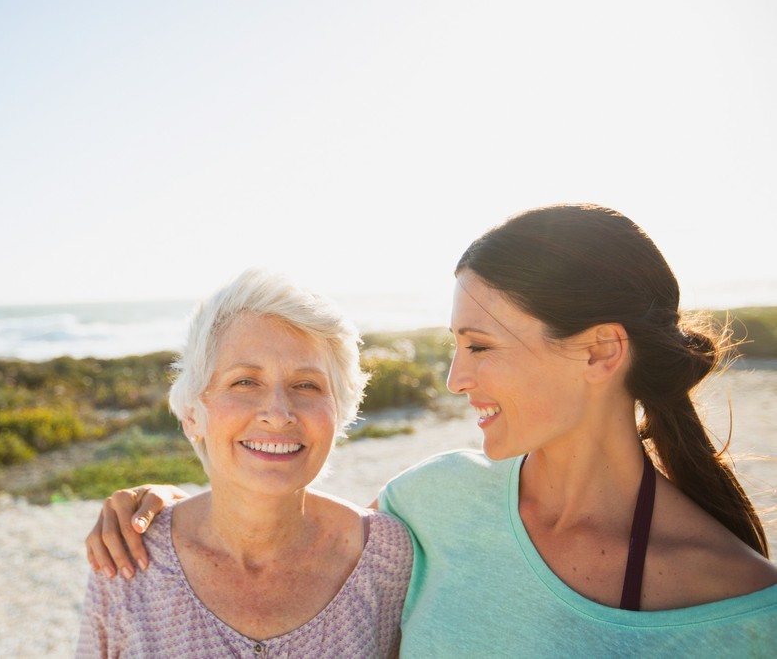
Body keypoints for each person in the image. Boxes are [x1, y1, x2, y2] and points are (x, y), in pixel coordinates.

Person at [86, 204, 777, 655]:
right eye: (453, 345)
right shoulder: (430, 506)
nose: (454, 378)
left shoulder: (745, 610)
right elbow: (275, 519)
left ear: (599, 351)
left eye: (479, 345)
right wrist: (164, 502)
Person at [76, 269, 412, 658]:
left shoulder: (387, 557)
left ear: (340, 412)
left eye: (307, 385)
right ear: (192, 413)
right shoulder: (127, 559)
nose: (279, 413)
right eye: (245, 382)